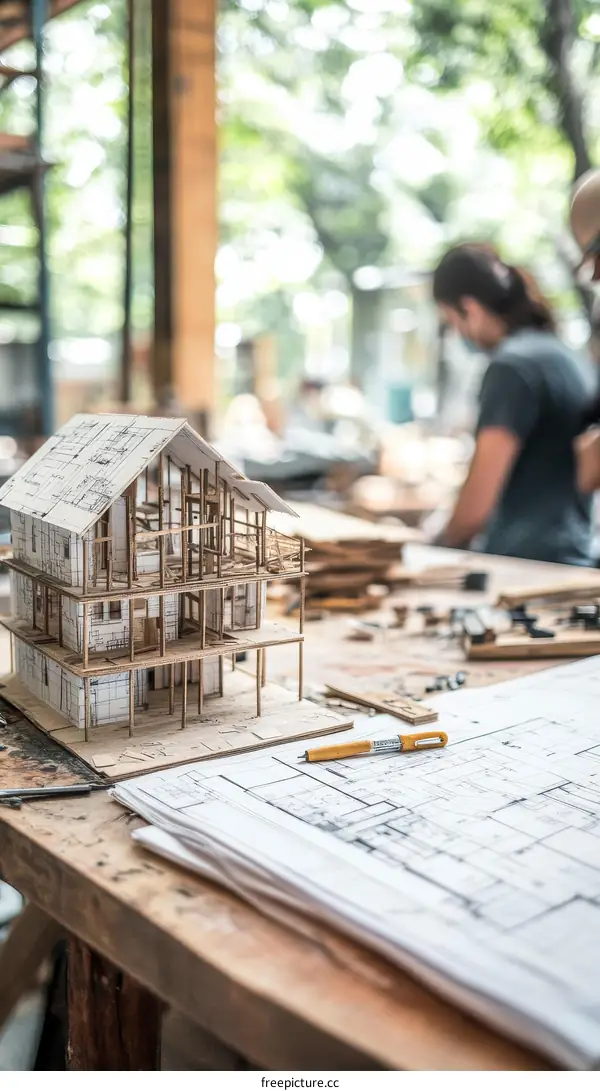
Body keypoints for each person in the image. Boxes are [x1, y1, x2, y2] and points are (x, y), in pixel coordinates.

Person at [432, 243, 595, 565]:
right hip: (571, 556)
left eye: (452, 320)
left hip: (525, 565)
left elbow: (473, 513)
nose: (457, 333)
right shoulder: (562, 354)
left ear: (470, 309)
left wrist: (431, 546)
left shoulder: (511, 368)